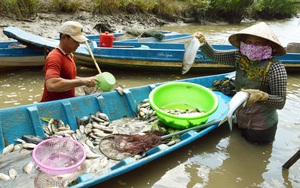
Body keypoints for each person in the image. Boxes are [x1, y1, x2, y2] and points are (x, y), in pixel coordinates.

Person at [194, 22, 287, 145]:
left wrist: (262, 96)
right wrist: (202, 42)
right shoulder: (239, 57)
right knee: (235, 148)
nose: (252, 46)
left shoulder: (275, 67)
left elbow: (280, 102)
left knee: (255, 154)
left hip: (261, 126)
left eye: (258, 43)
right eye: (248, 42)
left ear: (268, 45)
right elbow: (214, 55)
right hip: (239, 117)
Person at [41, 21, 99, 102]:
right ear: (64, 37)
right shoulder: (55, 57)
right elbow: (51, 84)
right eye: (75, 41)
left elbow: (69, 77)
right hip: (52, 106)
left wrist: (88, 79)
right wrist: (82, 81)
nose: (78, 44)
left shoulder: (70, 55)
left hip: (66, 102)